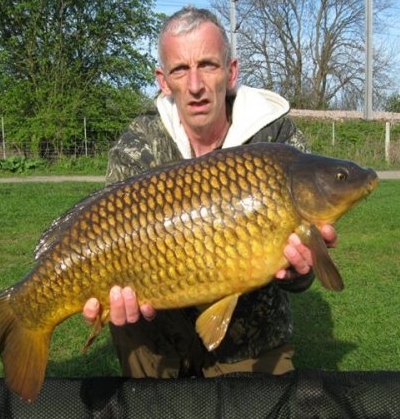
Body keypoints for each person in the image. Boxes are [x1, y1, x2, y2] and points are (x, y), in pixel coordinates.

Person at [83, 6, 337, 378]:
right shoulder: (140, 144)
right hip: (155, 341)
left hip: (251, 342)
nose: (196, 84)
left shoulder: (279, 140)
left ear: (231, 72)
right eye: (180, 69)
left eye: (208, 65)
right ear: (162, 80)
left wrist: (298, 271)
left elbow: (304, 275)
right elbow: (106, 234)